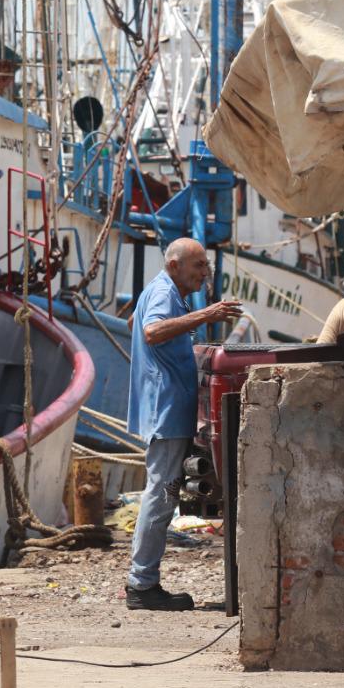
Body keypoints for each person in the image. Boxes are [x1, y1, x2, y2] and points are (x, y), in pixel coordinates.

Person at [125, 238, 243, 611]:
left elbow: (137, 323)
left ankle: (142, 580)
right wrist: (205, 316)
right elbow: (151, 331)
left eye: (205, 265)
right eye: (198, 266)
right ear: (174, 266)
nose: (204, 273)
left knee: (162, 492)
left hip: (167, 405)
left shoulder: (162, 291)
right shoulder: (164, 291)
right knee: (161, 495)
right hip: (167, 409)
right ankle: (141, 585)